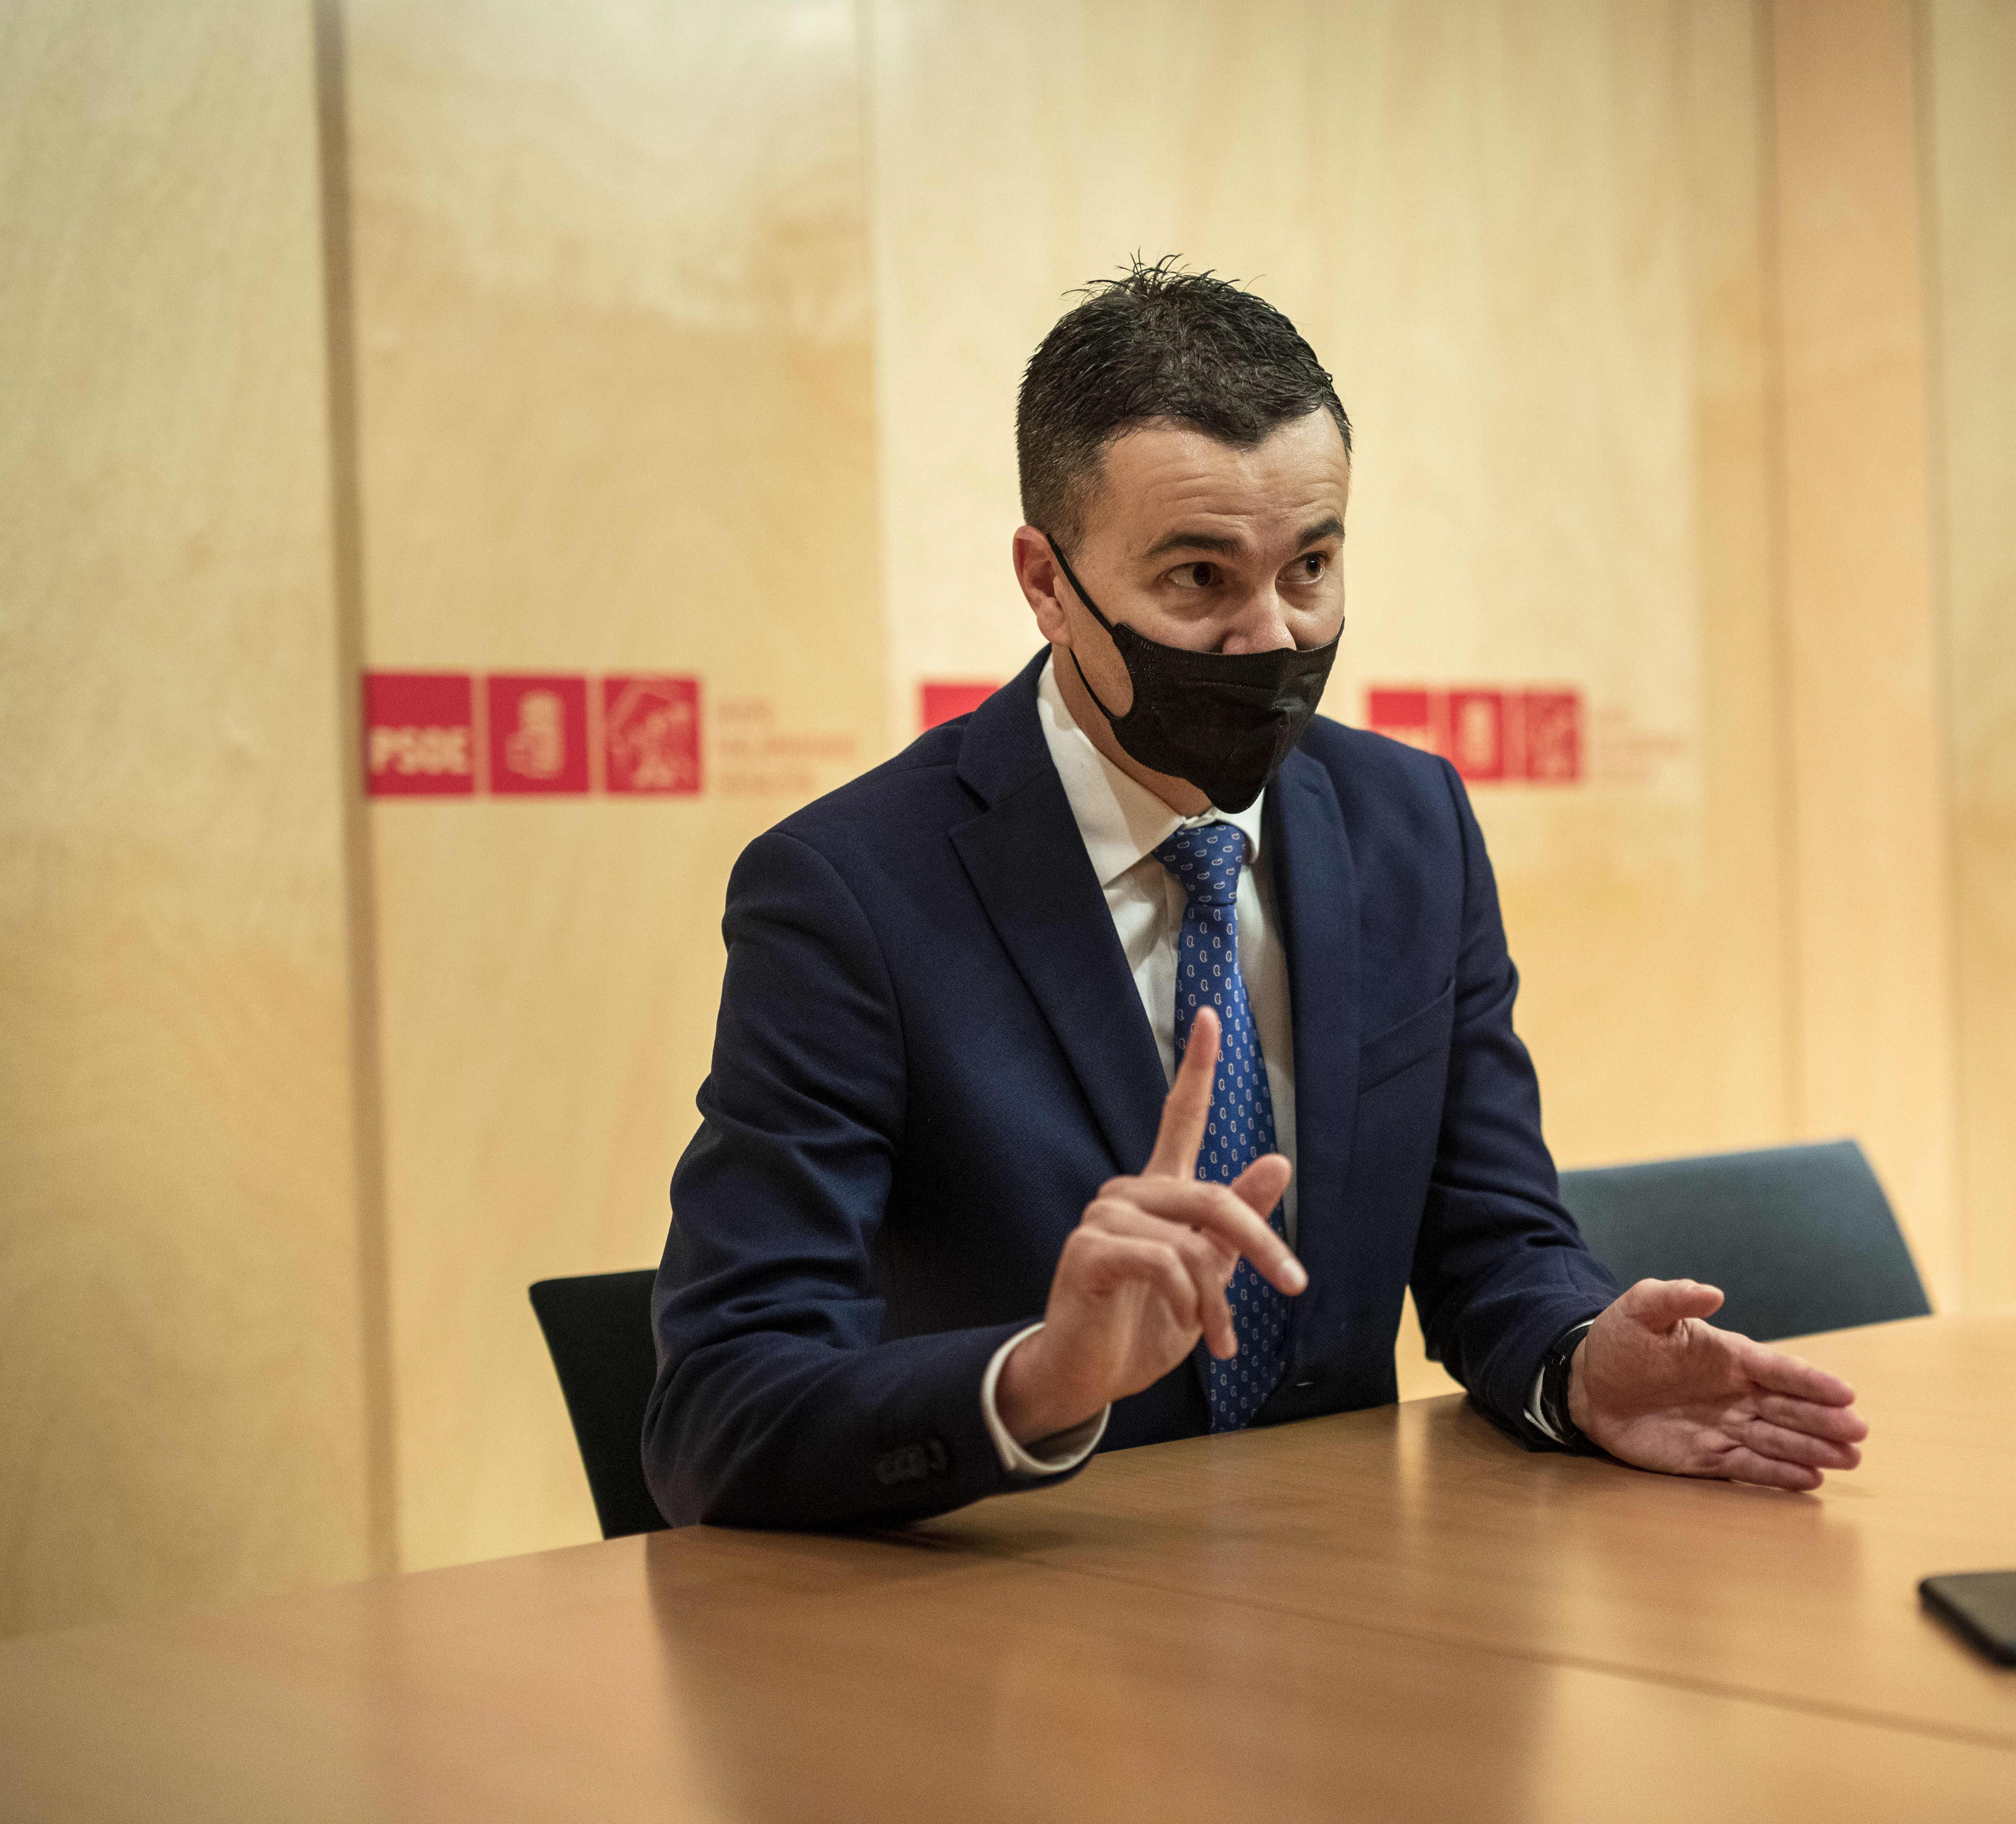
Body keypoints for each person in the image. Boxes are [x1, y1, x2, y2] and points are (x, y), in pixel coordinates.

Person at [644, 261, 1867, 1528]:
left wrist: (1575, 1362)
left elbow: (1494, 1244)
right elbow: (720, 1407)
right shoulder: (850, 891)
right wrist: (1040, 1381)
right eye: (1199, 578)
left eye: (1311, 567)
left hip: (1359, 1577)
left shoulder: (1413, 826)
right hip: (1027, 1604)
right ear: (1047, 582)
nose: (1273, 637)